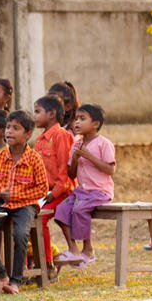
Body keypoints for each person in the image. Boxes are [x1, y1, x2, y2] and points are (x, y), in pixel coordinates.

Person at [0, 110, 49, 294]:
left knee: (20, 234)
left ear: (28, 134)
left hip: (26, 205)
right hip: (1, 204)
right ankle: (1, 275)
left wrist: (15, 195)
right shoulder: (0, 156)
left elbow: (42, 189)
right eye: (8, 127)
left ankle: (16, 280)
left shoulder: (34, 159)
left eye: (15, 128)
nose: (9, 131)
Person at [53, 104, 115, 268]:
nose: (77, 122)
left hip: (100, 191)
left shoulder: (104, 143)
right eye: (76, 119)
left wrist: (89, 156)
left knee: (79, 209)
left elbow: (110, 170)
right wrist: (74, 159)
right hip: (81, 191)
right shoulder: (76, 144)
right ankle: (73, 249)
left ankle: (88, 249)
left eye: (82, 119)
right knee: (61, 210)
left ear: (95, 124)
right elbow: (72, 174)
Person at [33, 95, 75, 276]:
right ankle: (31, 264)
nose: (34, 116)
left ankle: (46, 265)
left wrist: (53, 193)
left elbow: (64, 173)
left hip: (62, 193)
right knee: (23, 216)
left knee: (39, 218)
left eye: (37, 112)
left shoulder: (61, 136)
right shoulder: (39, 140)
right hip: (44, 193)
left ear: (51, 114)